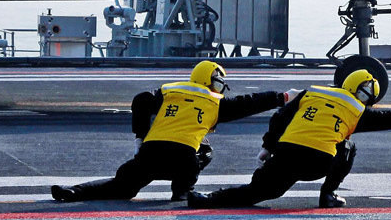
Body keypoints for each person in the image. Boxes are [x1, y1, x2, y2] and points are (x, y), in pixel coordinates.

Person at [186, 69, 391, 209]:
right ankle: (329, 194)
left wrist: (267, 147)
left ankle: (206, 198)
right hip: (318, 162)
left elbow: (279, 118)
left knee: (257, 193)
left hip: (285, 154)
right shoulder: (357, 110)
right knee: (347, 147)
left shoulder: (309, 94)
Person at [50, 60, 300, 202]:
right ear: (212, 81)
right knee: (205, 152)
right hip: (183, 159)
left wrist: (140, 137)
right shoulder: (215, 103)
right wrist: (284, 97)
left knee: (120, 187)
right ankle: (183, 191)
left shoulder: (169, 92)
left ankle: (73, 192)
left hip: (149, 153)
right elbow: (250, 103)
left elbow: (140, 100)